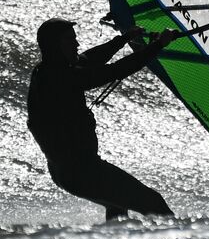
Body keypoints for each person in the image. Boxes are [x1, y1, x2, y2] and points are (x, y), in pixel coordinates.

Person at [27, 17, 176, 221]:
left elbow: (89, 59)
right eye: (70, 40)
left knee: (118, 207)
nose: (77, 44)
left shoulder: (46, 70)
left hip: (66, 172)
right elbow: (115, 70)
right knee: (154, 203)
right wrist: (158, 45)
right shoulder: (59, 78)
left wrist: (123, 39)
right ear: (54, 46)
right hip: (82, 172)